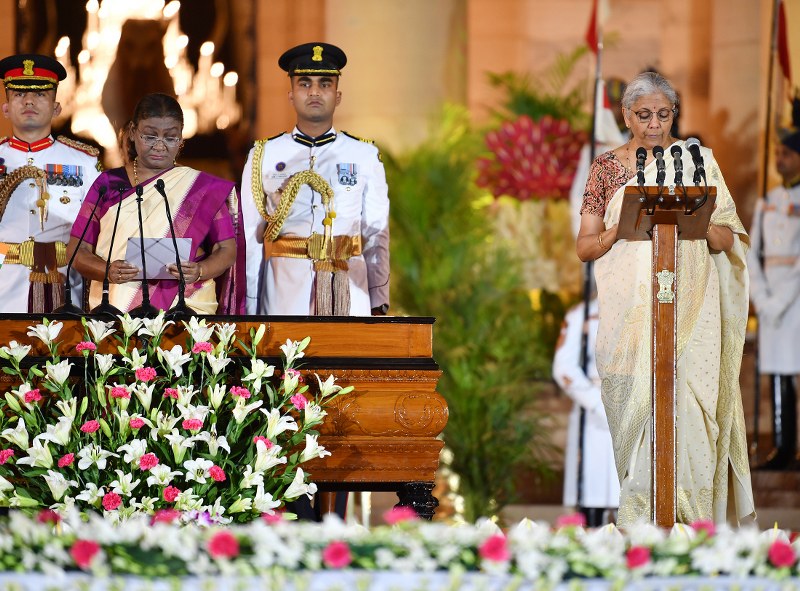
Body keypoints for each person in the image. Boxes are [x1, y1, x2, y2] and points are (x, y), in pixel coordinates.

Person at [576, 71, 755, 525]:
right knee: (638, 414)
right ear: (626, 116)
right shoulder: (607, 168)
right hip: (630, 314)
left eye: (663, 114)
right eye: (644, 115)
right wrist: (624, 226)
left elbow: (730, 239)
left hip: (691, 310)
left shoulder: (697, 163)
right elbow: (585, 246)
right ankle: (642, 523)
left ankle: (691, 525)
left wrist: (701, 225)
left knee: (691, 412)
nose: (654, 124)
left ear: (674, 114)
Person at [241, 42, 390, 316]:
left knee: (347, 359)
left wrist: (378, 298)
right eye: (304, 84)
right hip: (284, 292)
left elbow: (376, 233)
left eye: (325, 84)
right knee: (284, 360)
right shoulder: (265, 154)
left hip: (350, 287)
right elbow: (251, 237)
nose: (314, 92)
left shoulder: (364, 154)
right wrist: (251, 303)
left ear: (338, 94)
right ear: (291, 94)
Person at [67, 93, 245, 315]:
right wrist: (108, 271)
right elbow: (77, 251)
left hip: (186, 307)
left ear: (181, 138)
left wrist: (200, 270)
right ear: (133, 132)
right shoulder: (108, 185)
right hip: (116, 308)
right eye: (150, 136)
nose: (160, 146)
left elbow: (226, 249)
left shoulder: (202, 188)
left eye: (170, 138)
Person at [0, 53, 101, 313]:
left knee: (60, 351)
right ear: (6, 107)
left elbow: (103, 225)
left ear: (56, 107)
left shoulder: (85, 162)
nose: (29, 100)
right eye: (19, 95)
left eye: (41, 94)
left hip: (63, 281)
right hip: (4, 283)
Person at [748, 101, 800, 470]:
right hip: (769, 301)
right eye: (778, 152)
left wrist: (780, 301)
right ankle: (782, 448)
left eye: (786, 153)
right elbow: (752, 252)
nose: (779, 159)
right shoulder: (768, 201)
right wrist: (762, 299)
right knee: (778, 372)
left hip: (795, 302)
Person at [553, 295, 620, 527]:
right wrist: (595, 404)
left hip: (638, 409)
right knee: (595, 493)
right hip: (594, 415)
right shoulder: (581, 314)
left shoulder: (645, 307)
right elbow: (564, 367)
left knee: (634, 499)